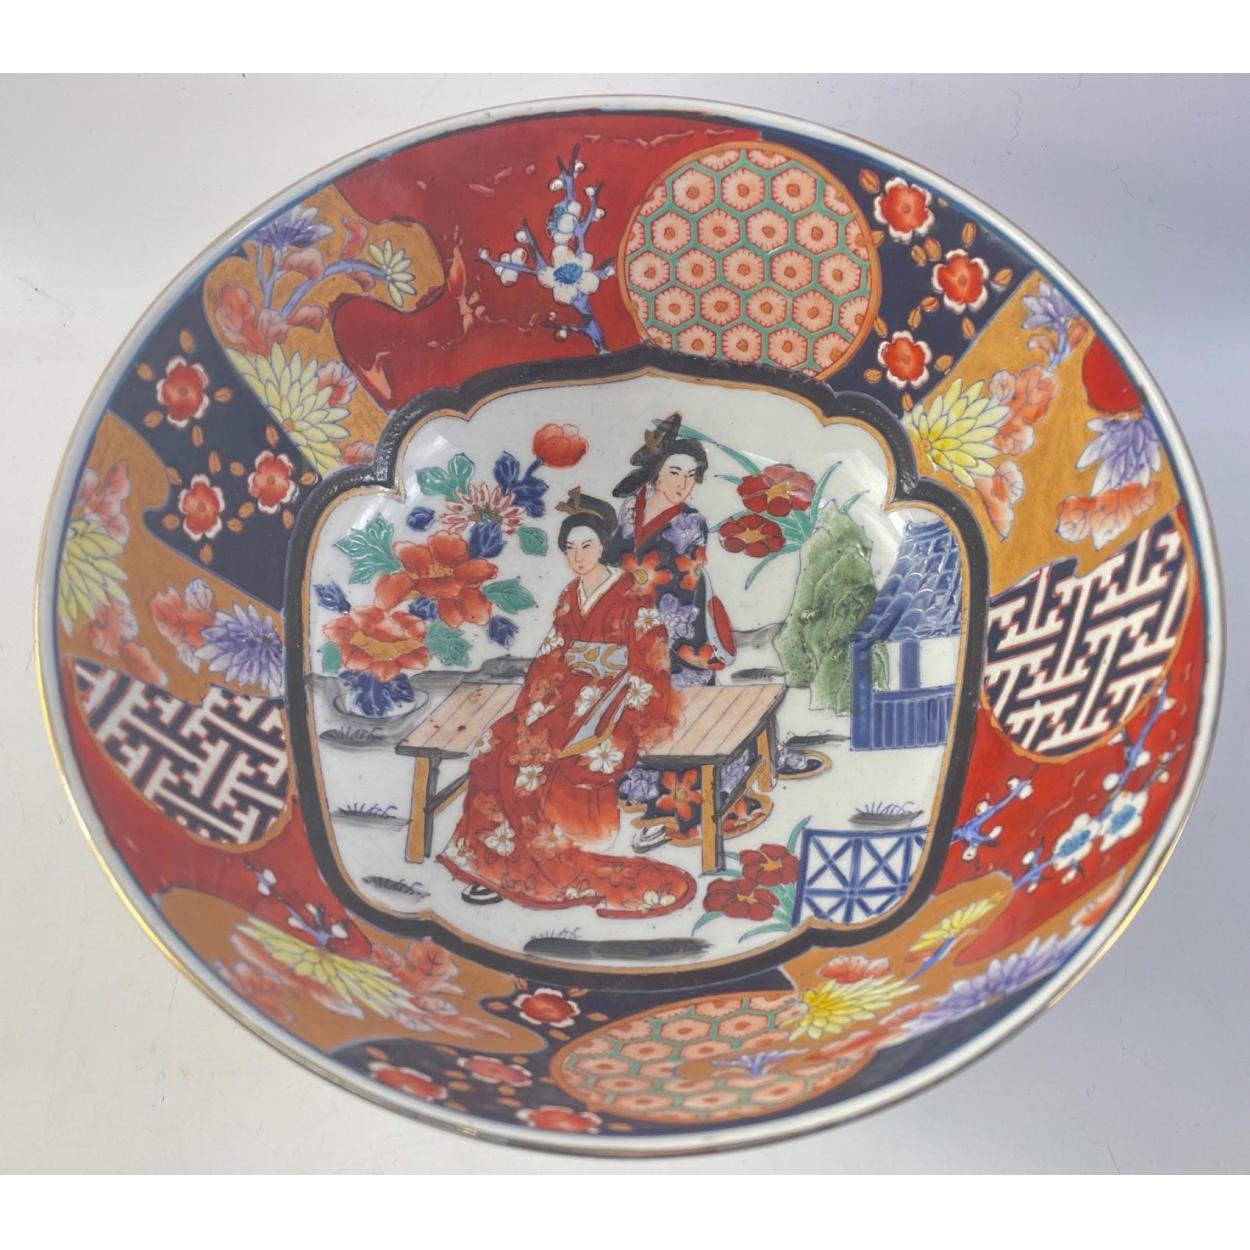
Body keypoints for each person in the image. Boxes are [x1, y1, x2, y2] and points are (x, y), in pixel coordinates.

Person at [437, 490, 696, 917]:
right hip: (563, 695)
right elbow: (552, 655)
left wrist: (607, 684)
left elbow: (649, 656)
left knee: (532, 763)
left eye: (587, 546)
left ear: (603, 546)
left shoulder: (630, 593)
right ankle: (492, 861)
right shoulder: (569, 595)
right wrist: (541, 700)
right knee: (493, 746)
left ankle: (530, 863)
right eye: (570, 548)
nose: (578, 557)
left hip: (618, 699)